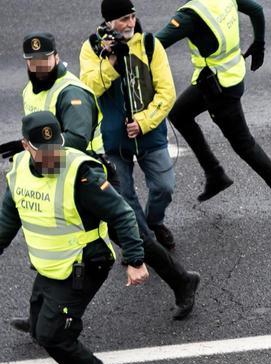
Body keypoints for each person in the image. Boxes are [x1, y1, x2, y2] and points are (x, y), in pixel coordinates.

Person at [0, 113, 148, 364]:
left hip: (85, 264)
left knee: (54, 335)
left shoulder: (82, 175)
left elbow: (122, 213)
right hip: (52, 266)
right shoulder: (19, 174)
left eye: (56, 146)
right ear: (26, 146)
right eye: (44, 150)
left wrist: (134, 260)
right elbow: (7, 221)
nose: (53, 155)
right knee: (43, 328)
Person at [79, 2, 203, 321]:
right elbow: (88, 87)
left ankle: (152, 227)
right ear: (109, 22)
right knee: (127, 208)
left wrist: (144, 122)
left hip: (149, 135)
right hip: (112, 142)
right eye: (123, 18)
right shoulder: (94, 48)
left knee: (163, 187)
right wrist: (112, 62)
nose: (131, 22)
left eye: (132, 16)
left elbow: (166, 92)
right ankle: (145, 246)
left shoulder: (149, 44)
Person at [156, 0, 271, 231]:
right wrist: (259, 43)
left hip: (219, 88)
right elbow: (256, 10)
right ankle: (215, 173)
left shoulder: (190, 15)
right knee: (180, 113)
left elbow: (153, 46)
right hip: (224, 76)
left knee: (245, 145)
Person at [21, 33, 103, 155]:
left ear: (56, 58)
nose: (39, 65)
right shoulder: (29, 88)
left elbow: (78, 140)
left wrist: (36, 145)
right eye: (33, 60)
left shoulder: (72, 93)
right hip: (49, 161)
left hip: (84, 165)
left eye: (44, 59)